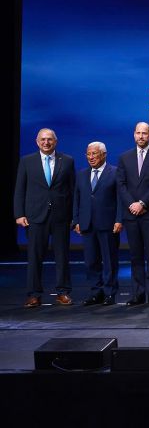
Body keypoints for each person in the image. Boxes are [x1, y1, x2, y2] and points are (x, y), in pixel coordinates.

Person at [14, 128, 76, 307]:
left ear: (55, 141)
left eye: (49, 139)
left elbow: (72, 191)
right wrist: (19, 214)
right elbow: (20, 190)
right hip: (35, 216)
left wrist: (74, 216)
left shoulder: (68, 161)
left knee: (62, 256)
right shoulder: (27, 161)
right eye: (43, 139)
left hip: (61, 217)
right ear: (37, 141)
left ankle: (63, 292)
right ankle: (34, 295)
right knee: (34, 257)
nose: (46, 142)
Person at [116, 122, 149, 306]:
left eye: (144, 133)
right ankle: (137, 293)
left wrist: (142, 203)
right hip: (131, 213)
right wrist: (132, 204)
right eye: (138, 133)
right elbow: (121, 184)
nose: (141, 136)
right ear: (134, 135)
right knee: (135, 255)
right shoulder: (124, 157)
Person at [73, 142, 122, 306]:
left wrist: (118, 219)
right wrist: (76, 220)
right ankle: (96, 292)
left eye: (94, 154)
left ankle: (109, 293)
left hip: (108, 224)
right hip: (87, 224)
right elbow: (76, 199)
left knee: (109, 260)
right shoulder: (81, 174)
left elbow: (120, 200)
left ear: (104, 155)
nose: (91, 157)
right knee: (91, 261)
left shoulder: (115, 172)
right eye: (88, 154)